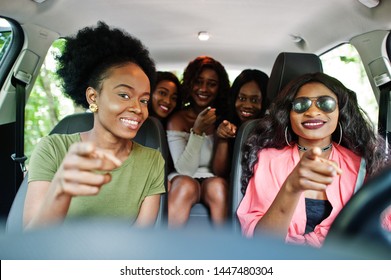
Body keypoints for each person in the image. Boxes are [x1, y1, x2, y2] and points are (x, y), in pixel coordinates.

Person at [23, 21, 165, 229]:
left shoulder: (152, 161)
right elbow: (31, 243)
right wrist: (61, 190)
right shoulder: (52, 149)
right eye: (124, 95)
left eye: (143, 100)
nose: (137, 108)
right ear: (93, 97)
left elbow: (140, 240)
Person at [237, 72, 389, 247]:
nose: (313, 112)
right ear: (288, 114)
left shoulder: (361, 165)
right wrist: (291, 187)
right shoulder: (268, 160)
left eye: (326, 104)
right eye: (301, 105)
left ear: (341, 111)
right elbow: (261, 243)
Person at [166, 56, 231, 227]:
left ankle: (225, 251)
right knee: (185, 184)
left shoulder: (224, 120)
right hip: (184, 177)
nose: (203, 88)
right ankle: (166, 249)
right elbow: (185, 170)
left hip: (213, 179)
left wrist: (223, 138)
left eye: (211, 83)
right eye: (198, 81)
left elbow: (220, 170)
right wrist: (197, 131)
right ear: (189, 83)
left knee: (219, 186)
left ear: (219, 88)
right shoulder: (177, 119)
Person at [212, 69, 269, 178]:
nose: (247, 105)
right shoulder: (225, 123)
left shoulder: (271, 130)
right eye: (242, 98)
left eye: (254, 100)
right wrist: (223, 138)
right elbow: (219, 172)